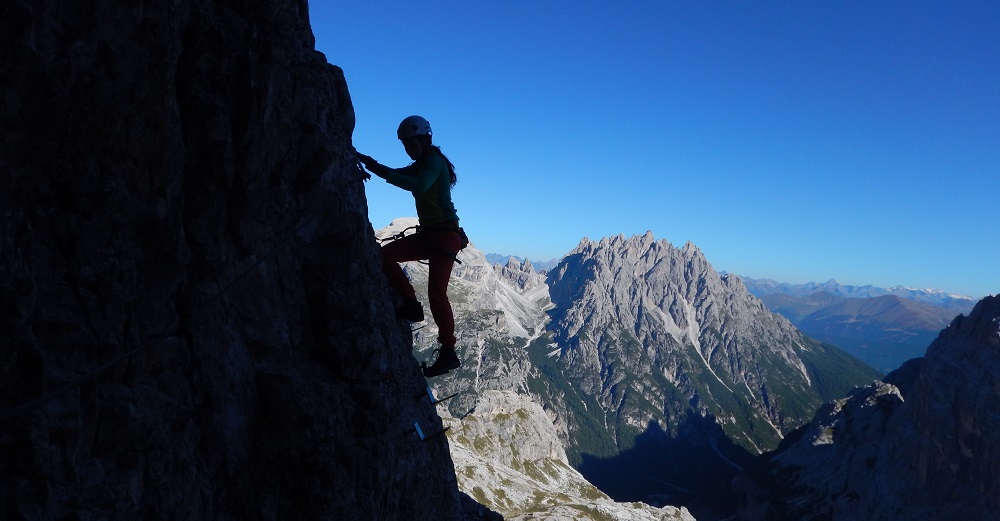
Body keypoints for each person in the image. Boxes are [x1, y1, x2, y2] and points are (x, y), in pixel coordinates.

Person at [357, 115, 465, 377]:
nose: (408, 149)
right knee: (385, 255)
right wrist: (368, 162)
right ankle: (411, 305)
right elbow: (397, 173)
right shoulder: (423, 163)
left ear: (425, 140)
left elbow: (416, 184)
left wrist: (376, 167)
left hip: (443, 236)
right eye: (405, 145)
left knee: (437, 294)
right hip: (431, 235)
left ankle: (449, 352)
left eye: (411, 144)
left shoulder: (433, 164)